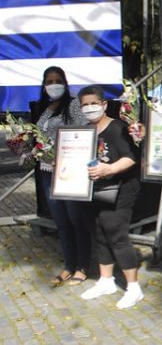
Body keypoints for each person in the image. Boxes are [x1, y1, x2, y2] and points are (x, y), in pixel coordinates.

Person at [78, 85, 144, 309]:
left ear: (104, 104)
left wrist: (110, 169)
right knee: (99, 232)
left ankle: (133, 287)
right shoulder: (85, 132)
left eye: (94, 103)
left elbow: (131, 157)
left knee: (117, 235)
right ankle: (106, 280)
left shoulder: (118, 128)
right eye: (85, 105)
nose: (90, 108)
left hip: (121, 190)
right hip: (95, 191)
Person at [32, 66, 90, 286]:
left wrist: (65, 156)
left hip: (70, 173)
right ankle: (68, 265)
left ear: (65, 83)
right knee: (62, 223)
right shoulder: (44, 108)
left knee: (76, 221)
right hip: (48, 173)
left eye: (58, 81)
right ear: (44, 86)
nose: (53, 85)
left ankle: (82, 266)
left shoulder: (73, 105)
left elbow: (85, 133)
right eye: (49, 81)